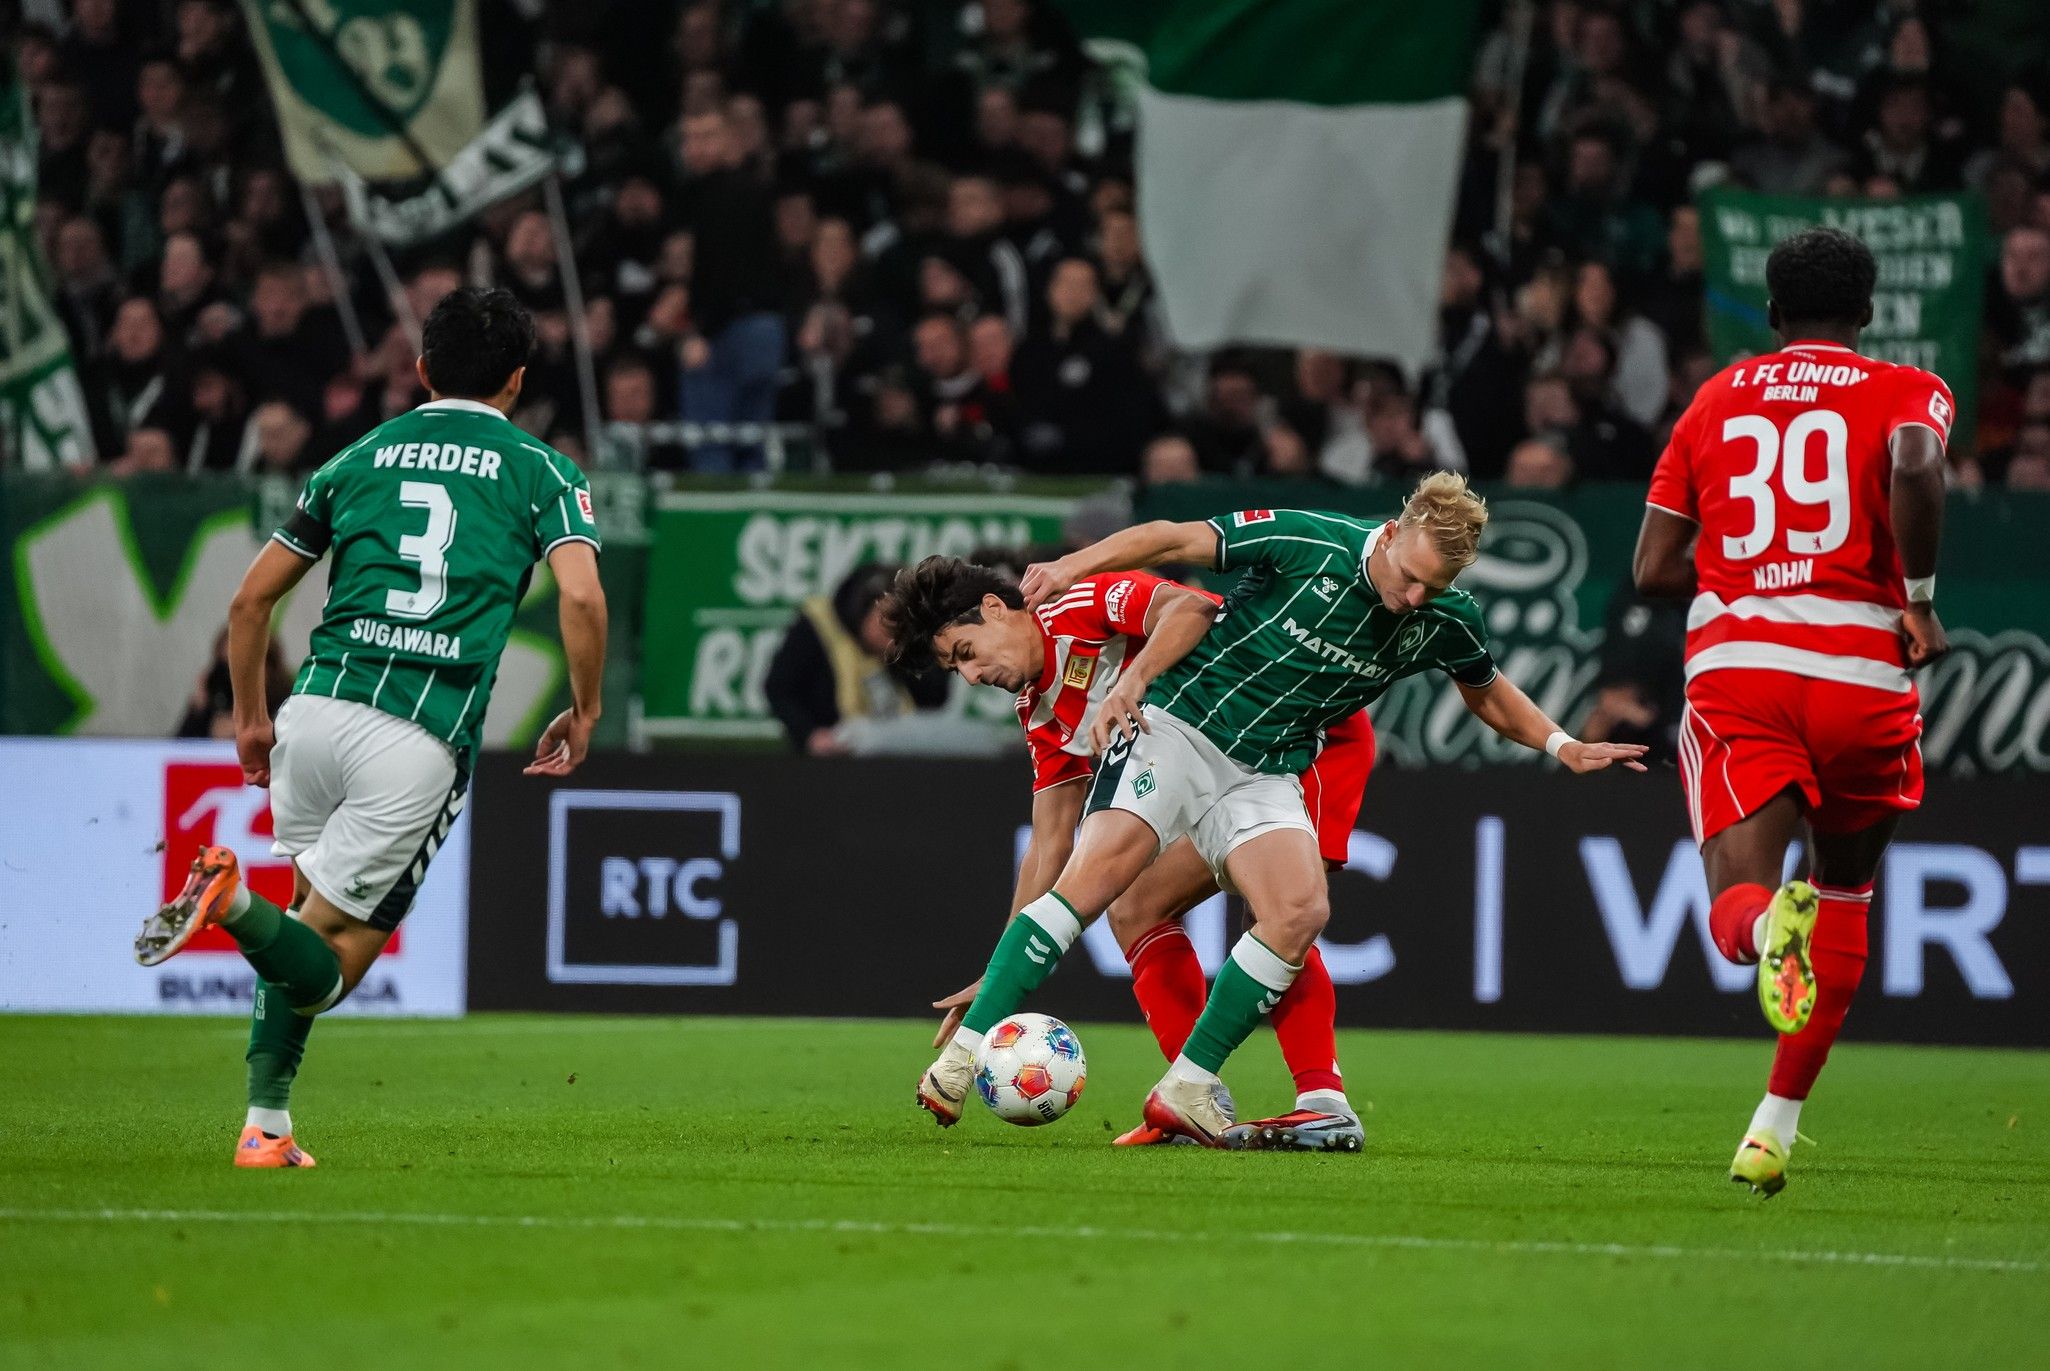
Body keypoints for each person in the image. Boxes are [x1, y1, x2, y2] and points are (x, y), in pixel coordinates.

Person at [911, 476, 1646, 1146]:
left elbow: (1484, 689)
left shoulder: (1444, 615)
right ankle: (976, 1058)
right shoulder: (1307, 539)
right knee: (1114, 894)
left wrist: (1561, 744)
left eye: (1436, 584)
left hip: (1291, 752)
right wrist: (1078, 569)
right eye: (1412, 577)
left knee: (1294, 910)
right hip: (1183, 725)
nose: (1416, 597)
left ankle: (1238, 1089)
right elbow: (1172, 537)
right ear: (1390, 535)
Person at [131, 287, 610, 1168]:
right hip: (416, 735)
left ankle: (264, 1127)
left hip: (312, 713)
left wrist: (249, 720)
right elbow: (580, 593)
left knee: (308, 926)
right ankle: (228, 900)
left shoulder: (355, 457)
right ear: (517, 379)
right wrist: (584, 711)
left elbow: (249, 602)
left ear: (421, 370)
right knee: (331, 966)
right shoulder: (543, 469)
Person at [1632, 227, 1952, 1197]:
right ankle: (1772, 1125)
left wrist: (1749, 567)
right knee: (1847, 892)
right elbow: (1913, 460)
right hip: (1864, 667)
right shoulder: (1907, 389)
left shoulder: (1715, 399)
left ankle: (1768, 926)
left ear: (1771, 315)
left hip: (1745, 667)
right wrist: (1921, 596)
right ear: (1865, 315)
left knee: (1738, 896)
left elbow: (1650, 569)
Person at [882, 557, 1378, 1151]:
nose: (969, 676)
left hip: (1301, 733)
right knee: (1135, 908)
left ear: (994, 609)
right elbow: (1049, 843)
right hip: (1210, 761)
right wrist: (998, 979)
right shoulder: (1041, 713)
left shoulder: (1084, 604)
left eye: (964, 652)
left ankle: (1322, 1101)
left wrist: (1132, 679)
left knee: (1278, 912)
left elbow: (1191, 606)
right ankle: (1193, 1097)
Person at [764, 562, 947, 756]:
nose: (896, 632)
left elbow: (935, 699)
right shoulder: (818, 626)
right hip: (830, 759)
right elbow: (779, 689)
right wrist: (809, 735)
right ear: (864, 610)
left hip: (899, 757)